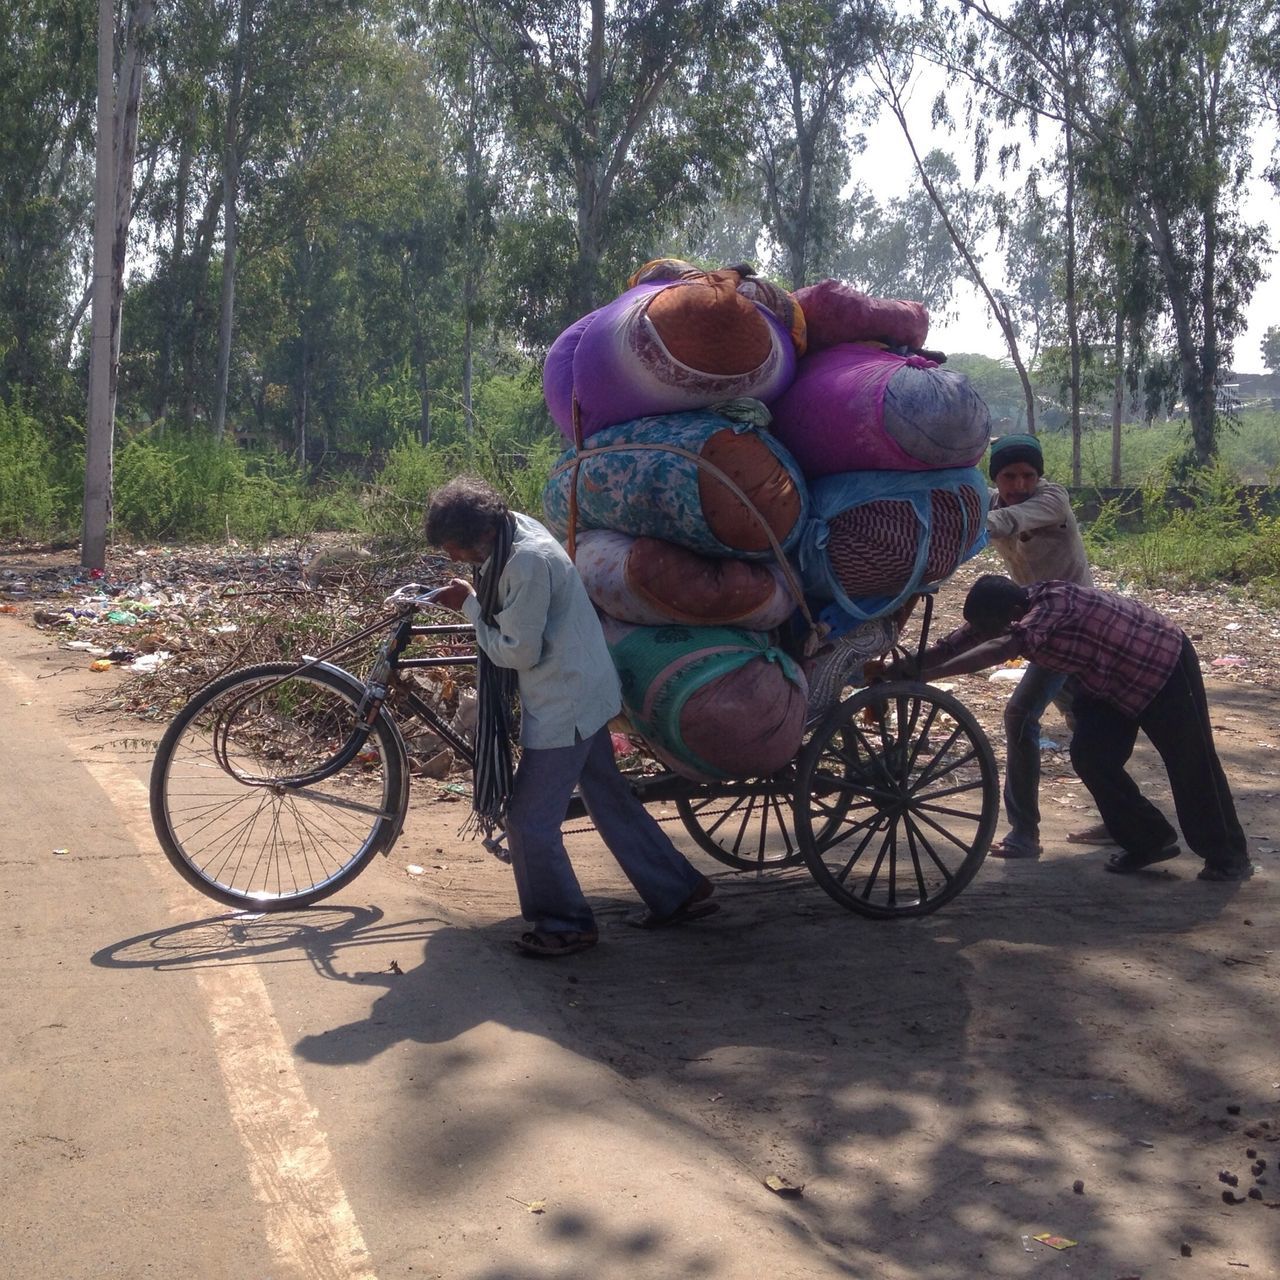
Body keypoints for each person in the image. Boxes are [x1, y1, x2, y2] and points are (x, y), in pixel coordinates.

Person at [425, 476, 718, 957]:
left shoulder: (525, 561)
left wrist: (471, 609)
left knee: (528, 822)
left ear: (478, 535)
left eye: (455, 548)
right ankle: (680, 891)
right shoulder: (511, 529)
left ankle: (565, 924)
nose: (454, 559)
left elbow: (518, 652)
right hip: (584, 687)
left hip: (566, 703)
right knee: (608, 798)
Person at [894, 575, 1252, 882]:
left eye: (989, 629)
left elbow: (1002, 648)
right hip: (1106, 680)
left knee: (1191, 761)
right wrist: (907, 668)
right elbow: (955, 645)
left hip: (1161, 664)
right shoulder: (1010, 610)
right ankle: (1150, 840)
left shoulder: (1053, 604)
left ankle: (1228, 857)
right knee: (1091, 758)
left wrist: (929, 676)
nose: (983, 635)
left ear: (1014, 616)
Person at [983, 432, 1107, 858]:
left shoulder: (1051, 501)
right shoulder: (992, 502)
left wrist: (962, 524)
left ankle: (1024, 834)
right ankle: (1120, 818)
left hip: (1075, 624)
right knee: (1085, 721)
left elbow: (1003, 523)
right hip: (1042, 620)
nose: (1019, 485)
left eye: (1028, 475)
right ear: (995, 478)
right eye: (1009, 477)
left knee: (1021, 714)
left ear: (1040, 476)